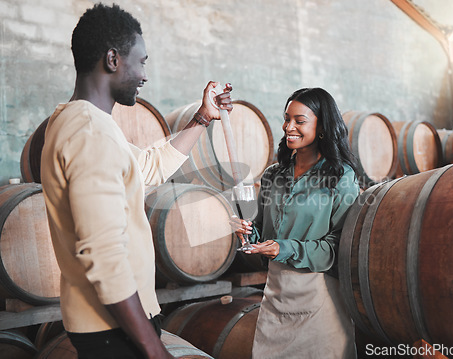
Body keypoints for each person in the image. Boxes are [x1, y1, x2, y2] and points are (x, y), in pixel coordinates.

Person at [40, 3, 232, 359]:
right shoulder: (89, 131)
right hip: (113, 330)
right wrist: (153, 347)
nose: (145, 75)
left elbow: (147, 166)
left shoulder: (79, 122)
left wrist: (202, 119)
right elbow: (104, 253)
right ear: (113, 60)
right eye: (141, 62)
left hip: (108, 324)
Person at [233, 87, 360, 358]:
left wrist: (284, 248)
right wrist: (248, 233)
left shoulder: (341, 176)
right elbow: (265, 236)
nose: (288, 126)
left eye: (299, 121)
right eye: (286, 118)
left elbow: (339, 248)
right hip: (276, 299)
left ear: (322, 126)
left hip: (320, 300)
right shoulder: (272, 176)